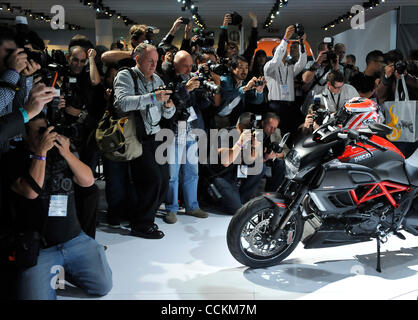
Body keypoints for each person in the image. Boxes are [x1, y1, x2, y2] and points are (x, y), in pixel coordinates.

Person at [2, 112, 112, 300]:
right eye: (39, 133)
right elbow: (31, 191)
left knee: (103, 286)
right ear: (25, 135)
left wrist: (67, 153)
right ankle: (55, 270)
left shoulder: (60, 152)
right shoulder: (13, 158)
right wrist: (41, 153)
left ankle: (68, 269)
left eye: (47, 130)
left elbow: (87, 181)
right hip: (40, 249)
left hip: (74, 238)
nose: (46, 136)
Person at [113, 43, 175, 239]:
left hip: (156, 134)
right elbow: (121, 103)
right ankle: (142, 224)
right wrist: (151, 97)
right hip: (136, 136)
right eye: (150, 61)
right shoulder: (126, 75)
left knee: (164, 180)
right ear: (137, 58)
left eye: (156, 61)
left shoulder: (157, 79)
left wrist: (168, 105)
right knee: (152, 179)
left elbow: (168, 113)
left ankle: (144, 215)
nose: (154, 65)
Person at [162, 50, 212, 224]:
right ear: (175, 64)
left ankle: (192, 206)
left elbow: (205, 105)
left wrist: (205, 89)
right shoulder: (167, 79)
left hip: (192, 130)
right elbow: (170, 102)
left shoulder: (191, 77)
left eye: (191, 66)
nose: (189, 69)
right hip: (175, 131)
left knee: (192, 172)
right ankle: (171, 208)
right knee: (172, 174)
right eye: (185, 66)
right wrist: (186, 89)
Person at [209, 112, 264, 214]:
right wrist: (240, 142)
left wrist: (254, 146)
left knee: (260, 167)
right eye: (248, 127)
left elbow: (252, 160)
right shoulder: (225, 133)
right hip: (218, 176)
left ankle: (242, 200)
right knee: (236, 210)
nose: (251, 131)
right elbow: (226, 162)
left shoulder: (250, 137)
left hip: (233, 177)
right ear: (239, 126)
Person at [263, 25, 307, 136]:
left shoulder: (289, 68)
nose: (285, 52)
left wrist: (302, 44)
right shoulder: (269, 68)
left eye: (285, 51)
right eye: (281, 51)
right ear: (275, 54)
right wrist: (285, 39)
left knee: (291, 135)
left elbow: (302, 63)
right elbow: (277, 59)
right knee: (276, 136)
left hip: (290, 106)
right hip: (275, 107)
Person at [0, 25, 41, 116]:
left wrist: (24, 76)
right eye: (10, 52)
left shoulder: (6, 75)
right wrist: (13, 71)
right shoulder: (10, 75)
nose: (15, 57)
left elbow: (19, 111)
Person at [215, 55, 265, 128]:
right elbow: (228, 96)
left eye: (246, 68)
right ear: (232, 68)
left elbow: (257, 101)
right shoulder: (225, 80)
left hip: (229, 119)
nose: (244, 71)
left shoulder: (243, 84)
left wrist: (259, 91)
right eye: (241, 67)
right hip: (215, 117)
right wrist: (245, 88)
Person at [262, 113, 289, 192]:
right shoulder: (254, 132)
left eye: (275, 128)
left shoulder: (276, 132)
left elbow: (287, 151)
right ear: (263, 123)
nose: (272, 130)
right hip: (257, 160)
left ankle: (272, 193)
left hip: (271, 162)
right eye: (270, 127)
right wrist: (265, 157)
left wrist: (280, 153)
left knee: (280, 163)